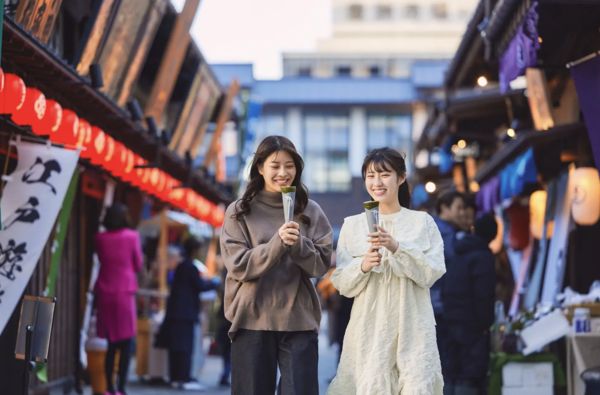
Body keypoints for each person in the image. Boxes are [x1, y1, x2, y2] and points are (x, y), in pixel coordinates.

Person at [220, 135, 333, 394]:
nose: (283, 172)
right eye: (275, 165)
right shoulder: (238, 211)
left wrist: (297, 245)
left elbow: (320, 266)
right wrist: (277, 243)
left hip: (299, 320)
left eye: (289, 165)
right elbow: (238, 265)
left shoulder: (310, 210)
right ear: (260, 167)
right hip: (252, 319)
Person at [328, 148, 446, 394]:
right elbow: (341, 283)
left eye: (384, 175)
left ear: (401, 177)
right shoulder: (352, 225)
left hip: (414, 326)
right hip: (370, 328)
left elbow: (432, 272)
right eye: (370, 176)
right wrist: (363, 265)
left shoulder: (422, 222)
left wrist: (396, 247)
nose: (376, 182)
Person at [442, 214, 497, 395]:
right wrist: (485, 323)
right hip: (471, 323)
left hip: (450, 318)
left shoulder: (458, 251)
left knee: (452, 370)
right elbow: (484, 294)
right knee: (470, 372)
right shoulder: (482, 256)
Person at [94, 203, 143, 395]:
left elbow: (101, 259)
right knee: (126, 341)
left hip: (105, 291)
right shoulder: (132, 237)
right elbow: (138, 264)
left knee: (111, 342)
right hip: (124, 291)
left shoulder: (100, 238)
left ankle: (109, 388)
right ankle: (121, 388)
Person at [160, 237, 220, 391]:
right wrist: (214, 283)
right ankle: (184, 378)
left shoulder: (180, 266)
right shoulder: (191, 267)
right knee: (185, 347)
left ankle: (175, 377)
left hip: (176, 312)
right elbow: (200, 286)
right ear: (195, 250)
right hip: (186, 314)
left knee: (176, 347)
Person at [430, 190, 466, 386]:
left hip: (437, 305)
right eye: (458, 208)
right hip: (441, 306)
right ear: (444, 208)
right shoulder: (443, 233)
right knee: (445, 365)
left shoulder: (442, 230)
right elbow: (448, 270)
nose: (462, 213)